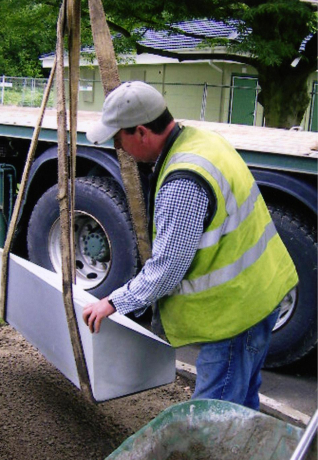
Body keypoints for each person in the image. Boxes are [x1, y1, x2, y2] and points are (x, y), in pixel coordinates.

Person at [82, 81, 298, 411]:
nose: (118, 149)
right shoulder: (202, 141)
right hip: (259, 294)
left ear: (141, 132)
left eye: (118, 139)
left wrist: (113, 302)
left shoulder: (184, 180)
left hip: (234, 316)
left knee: (210, 415)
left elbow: (167, 269)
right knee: (241, 404)